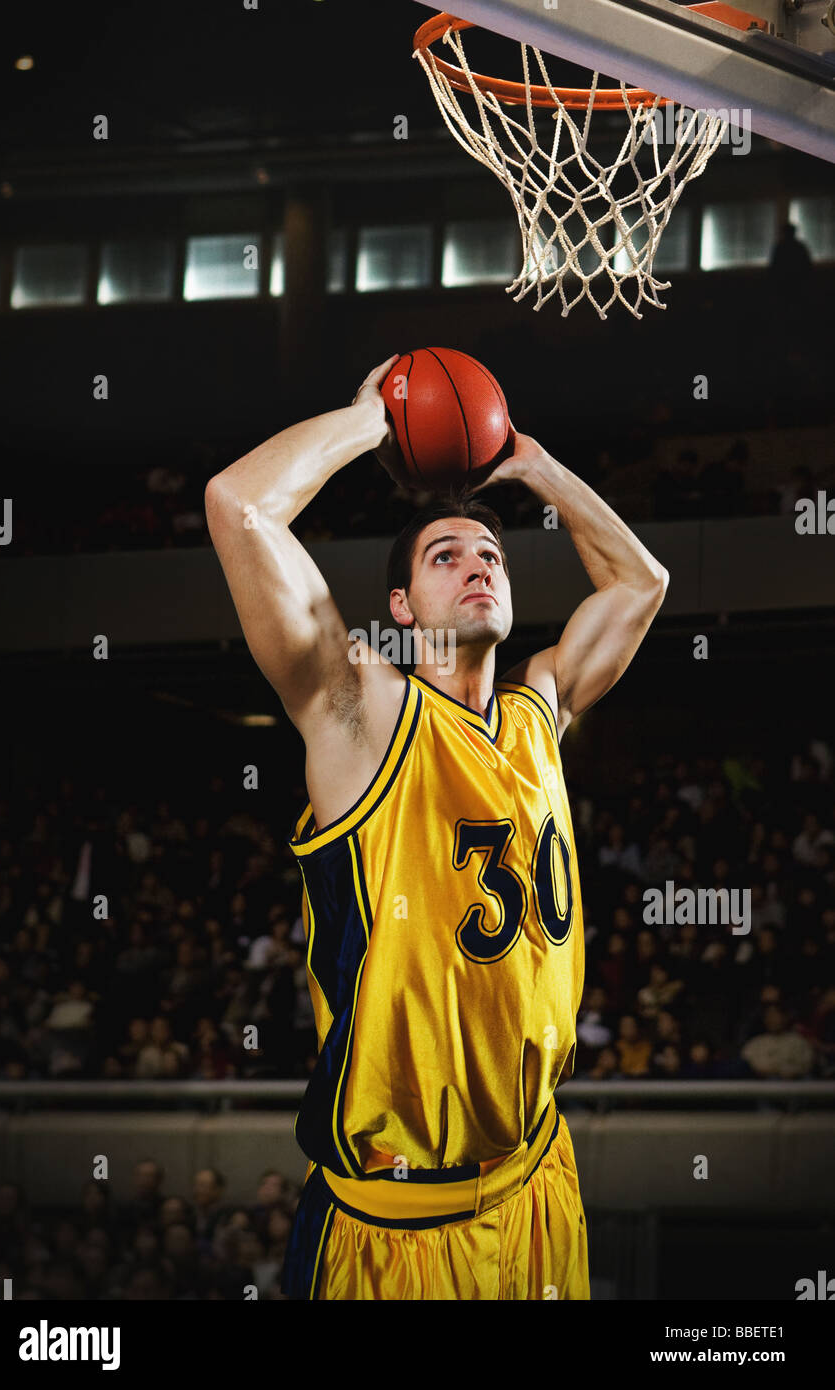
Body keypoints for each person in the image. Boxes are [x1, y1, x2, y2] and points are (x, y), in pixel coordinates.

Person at [205, 353, 669, 1301]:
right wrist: (369, 422)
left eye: (492, 554)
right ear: (403, 610)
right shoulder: (361, 716)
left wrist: (532, 465)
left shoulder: (543, 705)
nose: (479, 564)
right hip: (399, 1229)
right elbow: (238, 505)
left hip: (540, 1181)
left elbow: (641, 583)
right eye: (446, 555)